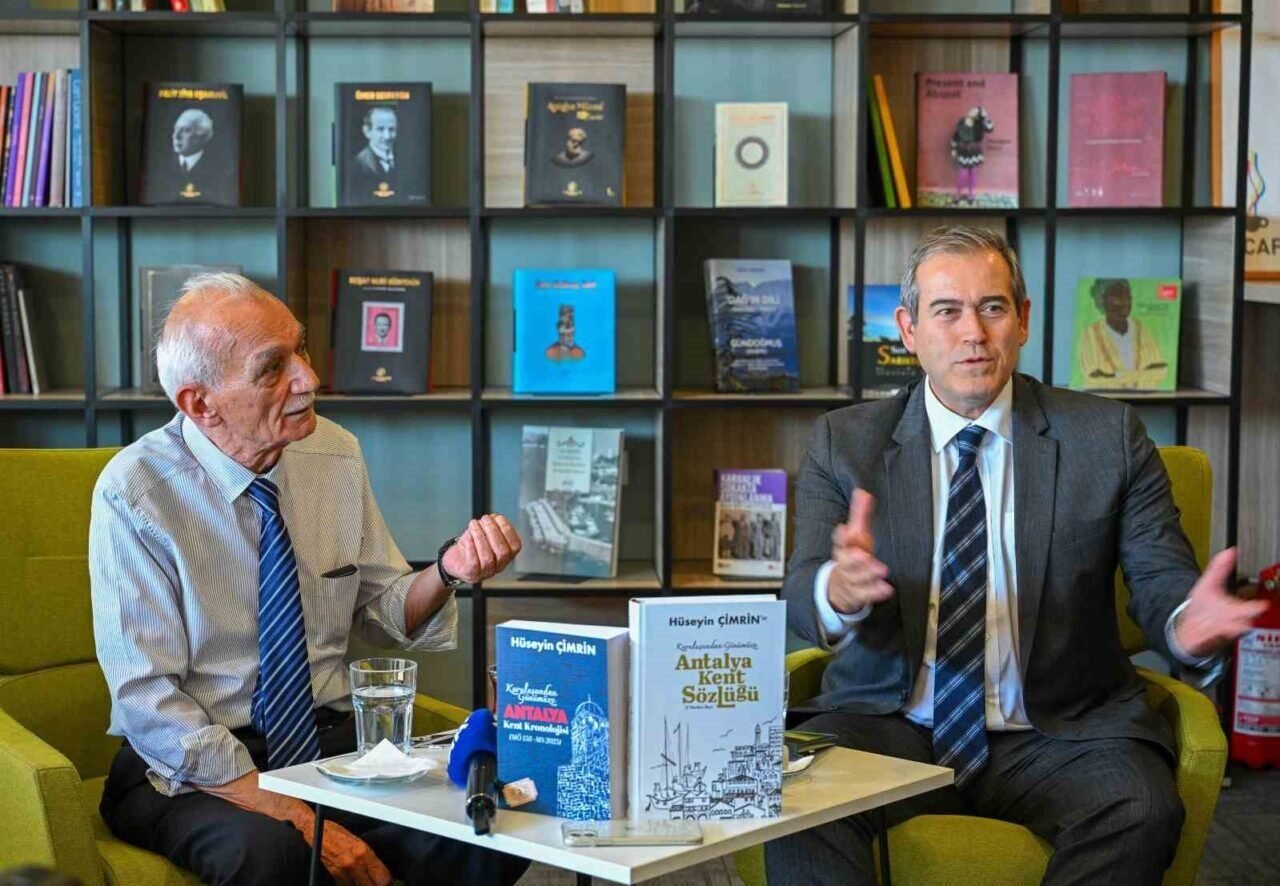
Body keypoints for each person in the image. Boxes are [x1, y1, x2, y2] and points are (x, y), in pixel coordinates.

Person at [765, 226, 1266, 886]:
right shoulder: (845, 442)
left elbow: (1160, 577)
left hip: (1057, 730)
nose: (973, 333)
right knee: (794, 807)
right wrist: (837, 590)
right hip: (890, 724)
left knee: (1140, 808)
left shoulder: (1106, 437)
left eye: (992, 307)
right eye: (947, 311)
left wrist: (1185, 624)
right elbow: (801, 590)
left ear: (1023, 320)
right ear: (910, 329)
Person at [89, 273, 530, 886]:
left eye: (300, 349)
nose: (309, 378)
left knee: (490, 822)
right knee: (274, 856)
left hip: (330, 744)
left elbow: (385, 611)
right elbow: (146, 699)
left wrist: (448, 571)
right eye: (273, 368)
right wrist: (297, 814)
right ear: (201, 403)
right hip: (188, 765)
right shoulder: (136, 490)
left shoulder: (333, 453)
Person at [1076, 277, 1168, 389]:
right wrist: (1141, 374)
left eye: (1127, 305)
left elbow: (1160, 372)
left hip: (1144, 397)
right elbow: (1095, 379)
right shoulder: (1090, 335)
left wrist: (1113, 376)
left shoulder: (1142, 330)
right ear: (1102, 303)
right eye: (1117, 307)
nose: (1124, 311)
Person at [352, 105, 399, 199]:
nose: (387, 136)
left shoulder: (405, 160)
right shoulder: (358, 163)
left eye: (391, 129)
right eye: (380, 129)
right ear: (367, 131)